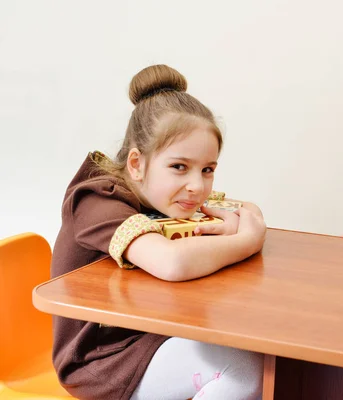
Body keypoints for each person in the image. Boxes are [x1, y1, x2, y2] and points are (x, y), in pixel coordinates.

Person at [51, 64, 266, 399]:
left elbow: (247, 210)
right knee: (243, 369)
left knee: (259, 345)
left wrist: (240, 223)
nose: (196, 186)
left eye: (207, 169)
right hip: (101, 358)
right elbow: (172, 263)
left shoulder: (159, 195)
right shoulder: (97, 201)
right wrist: (247, 241)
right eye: (179, 167)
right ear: (136, 164)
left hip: (150, 330)